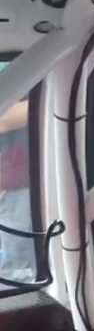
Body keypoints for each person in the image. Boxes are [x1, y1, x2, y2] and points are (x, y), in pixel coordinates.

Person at [0, 97, 33, 282]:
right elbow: (3, 118)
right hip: (18, 184)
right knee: (20, 269)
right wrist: (49, 100)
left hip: (38, 178)